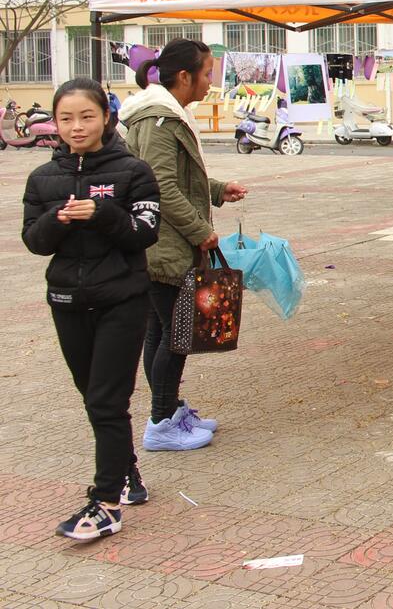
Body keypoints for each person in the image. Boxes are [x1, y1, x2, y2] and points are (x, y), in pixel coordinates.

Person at [21, 78, 162, 540]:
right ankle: (127, 473)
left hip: (122, 300)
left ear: (106, 117)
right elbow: (34, 242)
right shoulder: (42, 179)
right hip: (67, 301)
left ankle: (105, 503)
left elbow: (145, 233)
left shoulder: (133, 171)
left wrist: (102, 213)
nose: (76, 127)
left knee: (106, 400)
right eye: (66, 118)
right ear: (55, 123)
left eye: (86, 116)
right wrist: (57, 218)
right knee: (95, 398)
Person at [119, 39, 247, 452]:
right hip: (165, 247)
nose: (210, 82)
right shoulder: (159, 120)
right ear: (184, 76)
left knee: (162, 331)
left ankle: (169, 410)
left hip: (166, 245)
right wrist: (198, 230)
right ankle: (160, 422)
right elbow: (160, 186)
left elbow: (181, 178)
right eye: (207, 74)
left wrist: (217, 190)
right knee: (177, 335)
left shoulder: (168, 115)